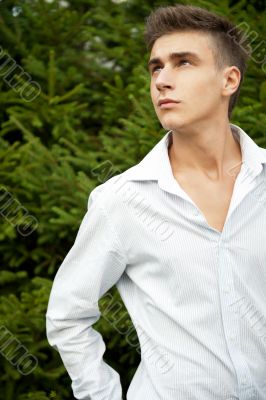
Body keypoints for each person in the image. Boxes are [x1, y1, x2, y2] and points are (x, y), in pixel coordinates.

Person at [46, 4, 266, 400]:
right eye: (156, 67)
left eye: (183, 63)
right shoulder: (122, 200)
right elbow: (67, 317)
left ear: (229, 79)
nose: (163, 80)